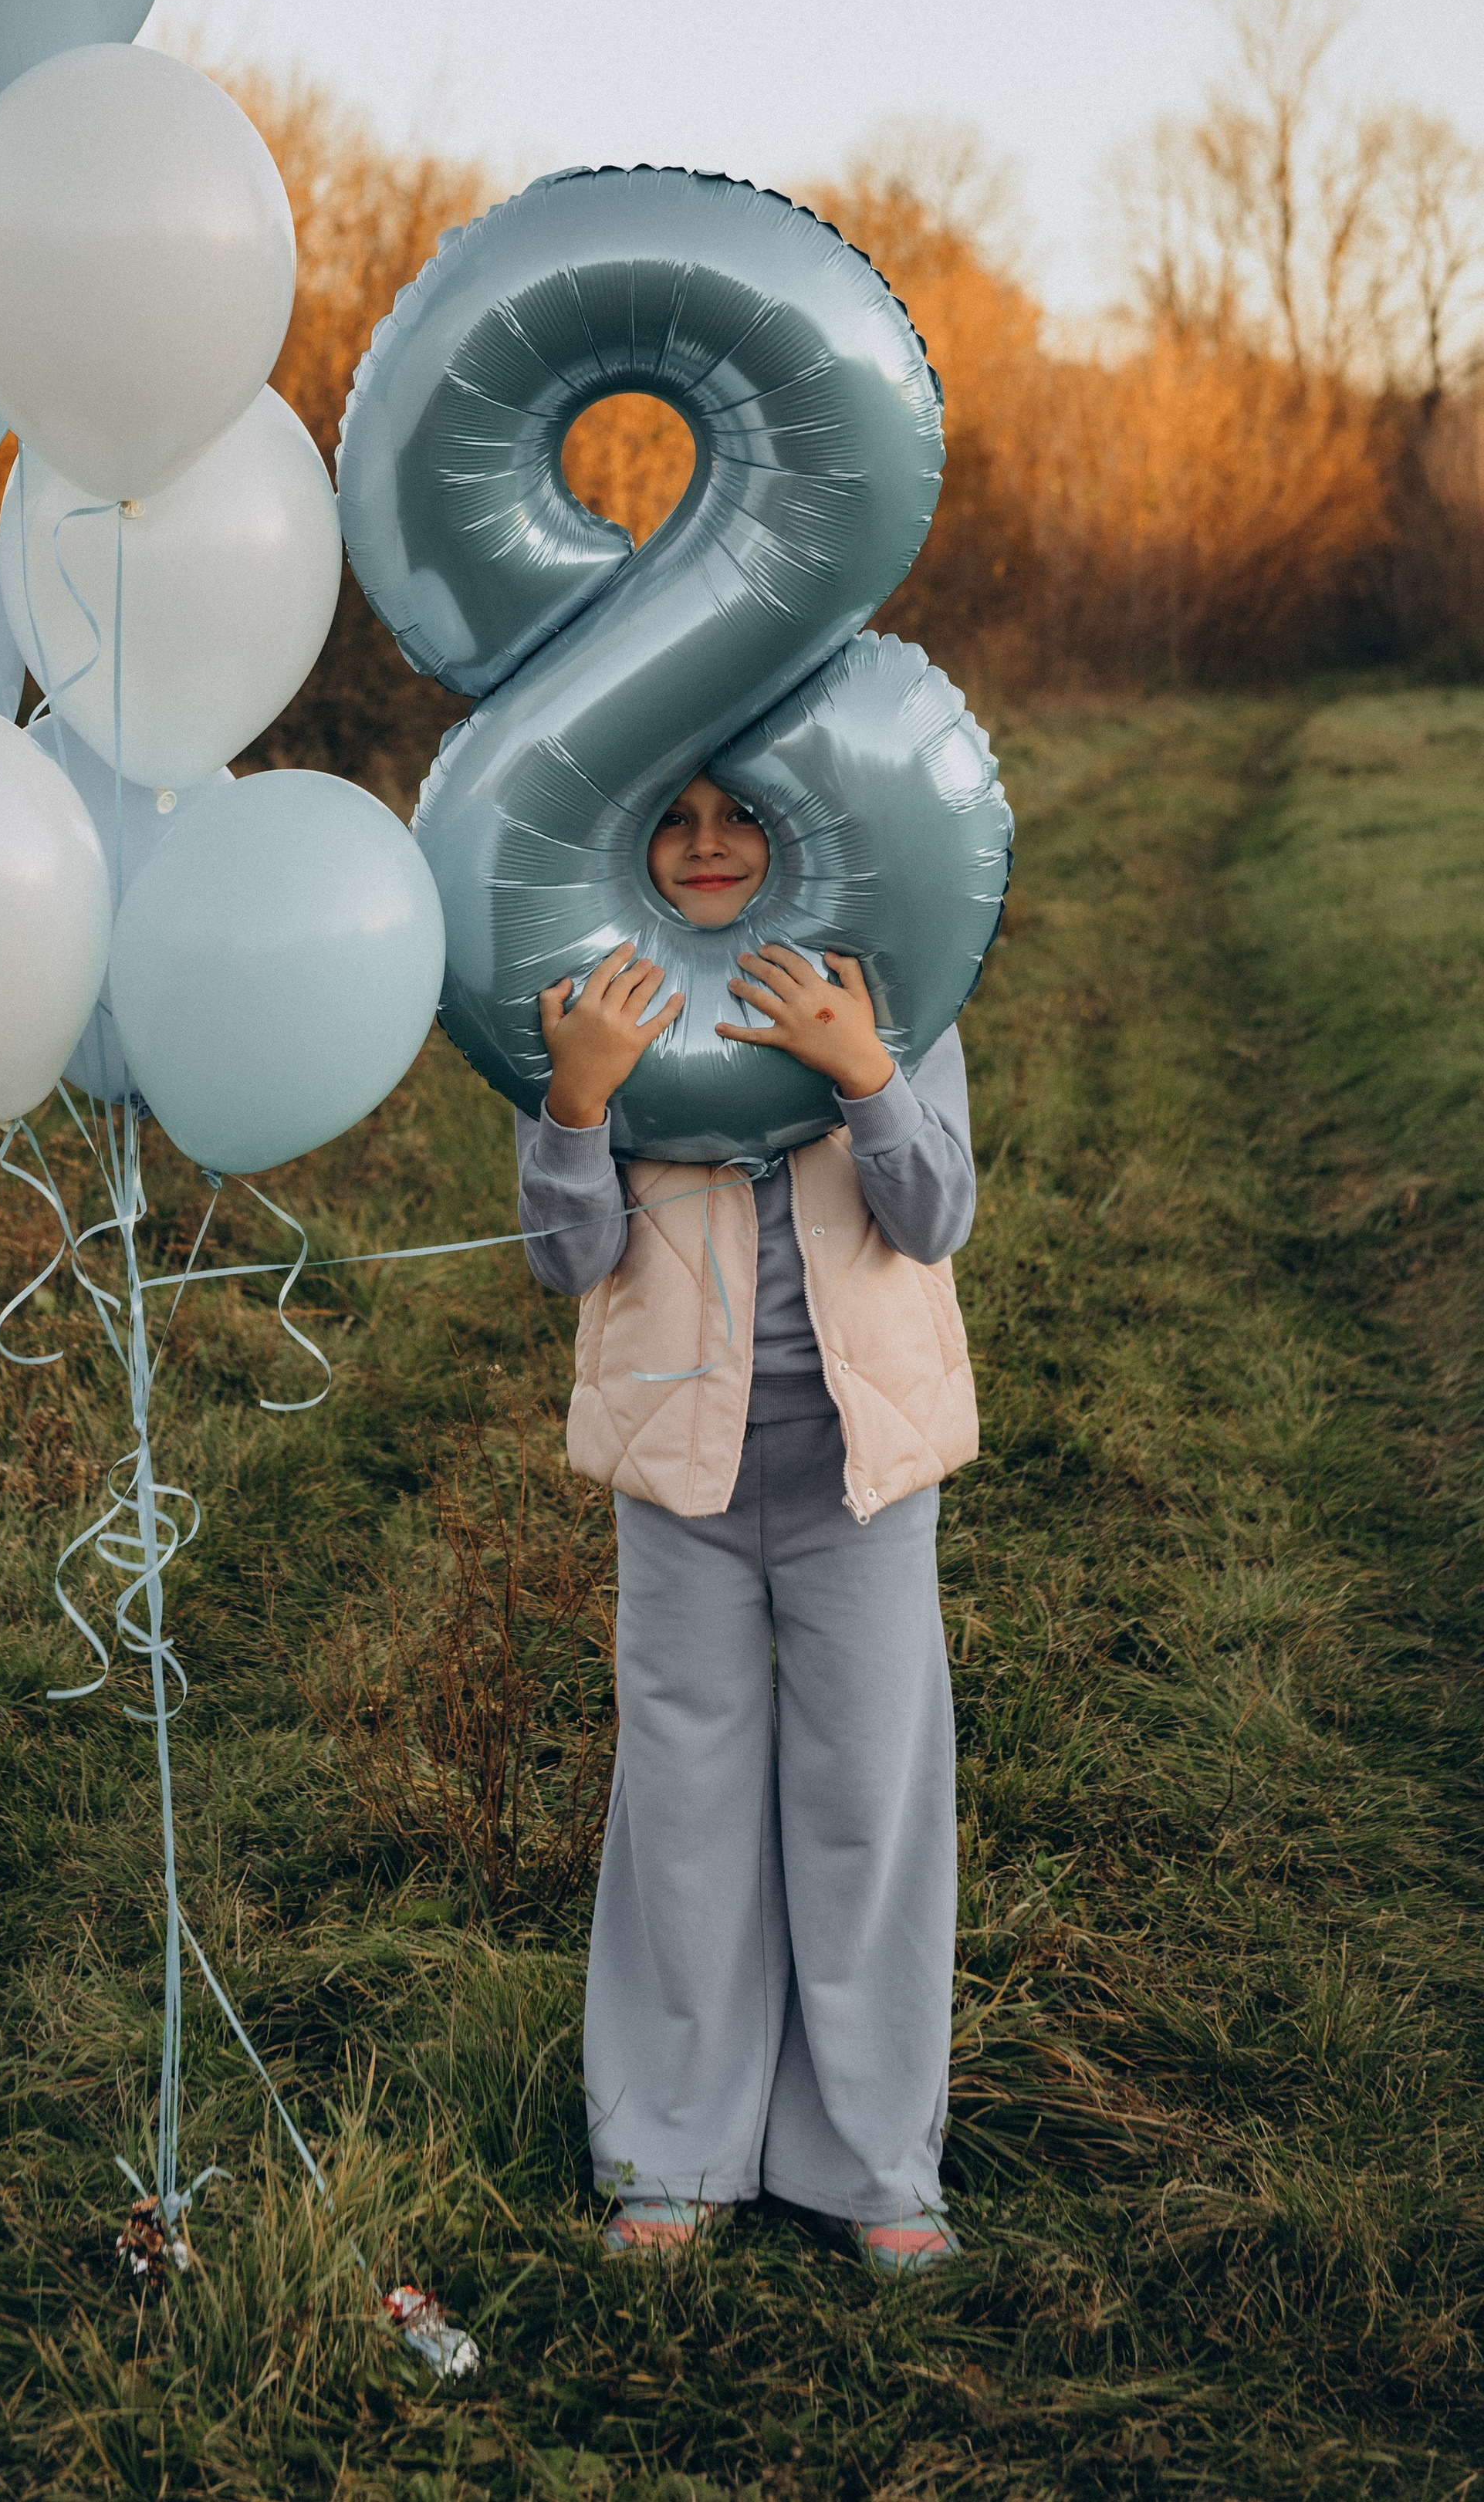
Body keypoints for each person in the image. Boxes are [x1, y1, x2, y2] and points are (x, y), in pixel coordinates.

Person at [515, 772, 979, 2270]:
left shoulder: (889, 982)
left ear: (797, 831)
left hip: (861, 1463)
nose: (707, 842)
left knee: (866, 1794)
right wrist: (576, 1099)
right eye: (673, 814)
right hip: (682, 1469)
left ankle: (871, 2163)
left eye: (739, 813)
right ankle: (674, 2141)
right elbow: (562, 1255)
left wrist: (865, 1071)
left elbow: (929, 1217)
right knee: (685, 1798)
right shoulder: (609, 996)